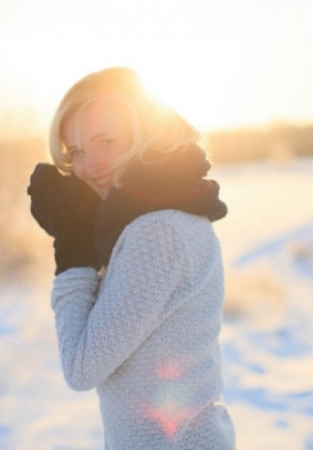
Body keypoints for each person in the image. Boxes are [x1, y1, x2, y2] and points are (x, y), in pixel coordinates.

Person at [27, 67, 236, 449]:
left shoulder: (158, 231)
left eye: (107, 142)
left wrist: (72, 247)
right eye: (77, 152)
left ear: (148, 134)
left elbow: (81, 366)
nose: (90, 167)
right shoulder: (153, 218)